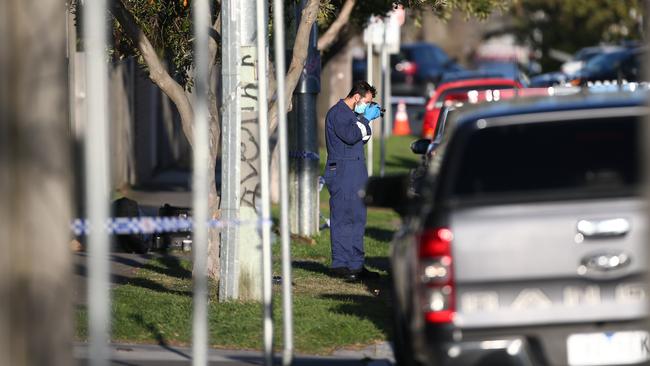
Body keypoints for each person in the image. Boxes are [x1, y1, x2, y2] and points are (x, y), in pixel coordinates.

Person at [323, 81, 382, 281]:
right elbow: (350, 136)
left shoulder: (353, 115)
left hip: (356, 168)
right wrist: (365, 119)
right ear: (357, 97)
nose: (367, 106)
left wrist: (363, 119)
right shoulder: (338, 113)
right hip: (342, 169)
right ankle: (340, 264)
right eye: (367, 102)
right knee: (343, 217)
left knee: (358, 217)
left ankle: (356, 264)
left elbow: (361, 138)